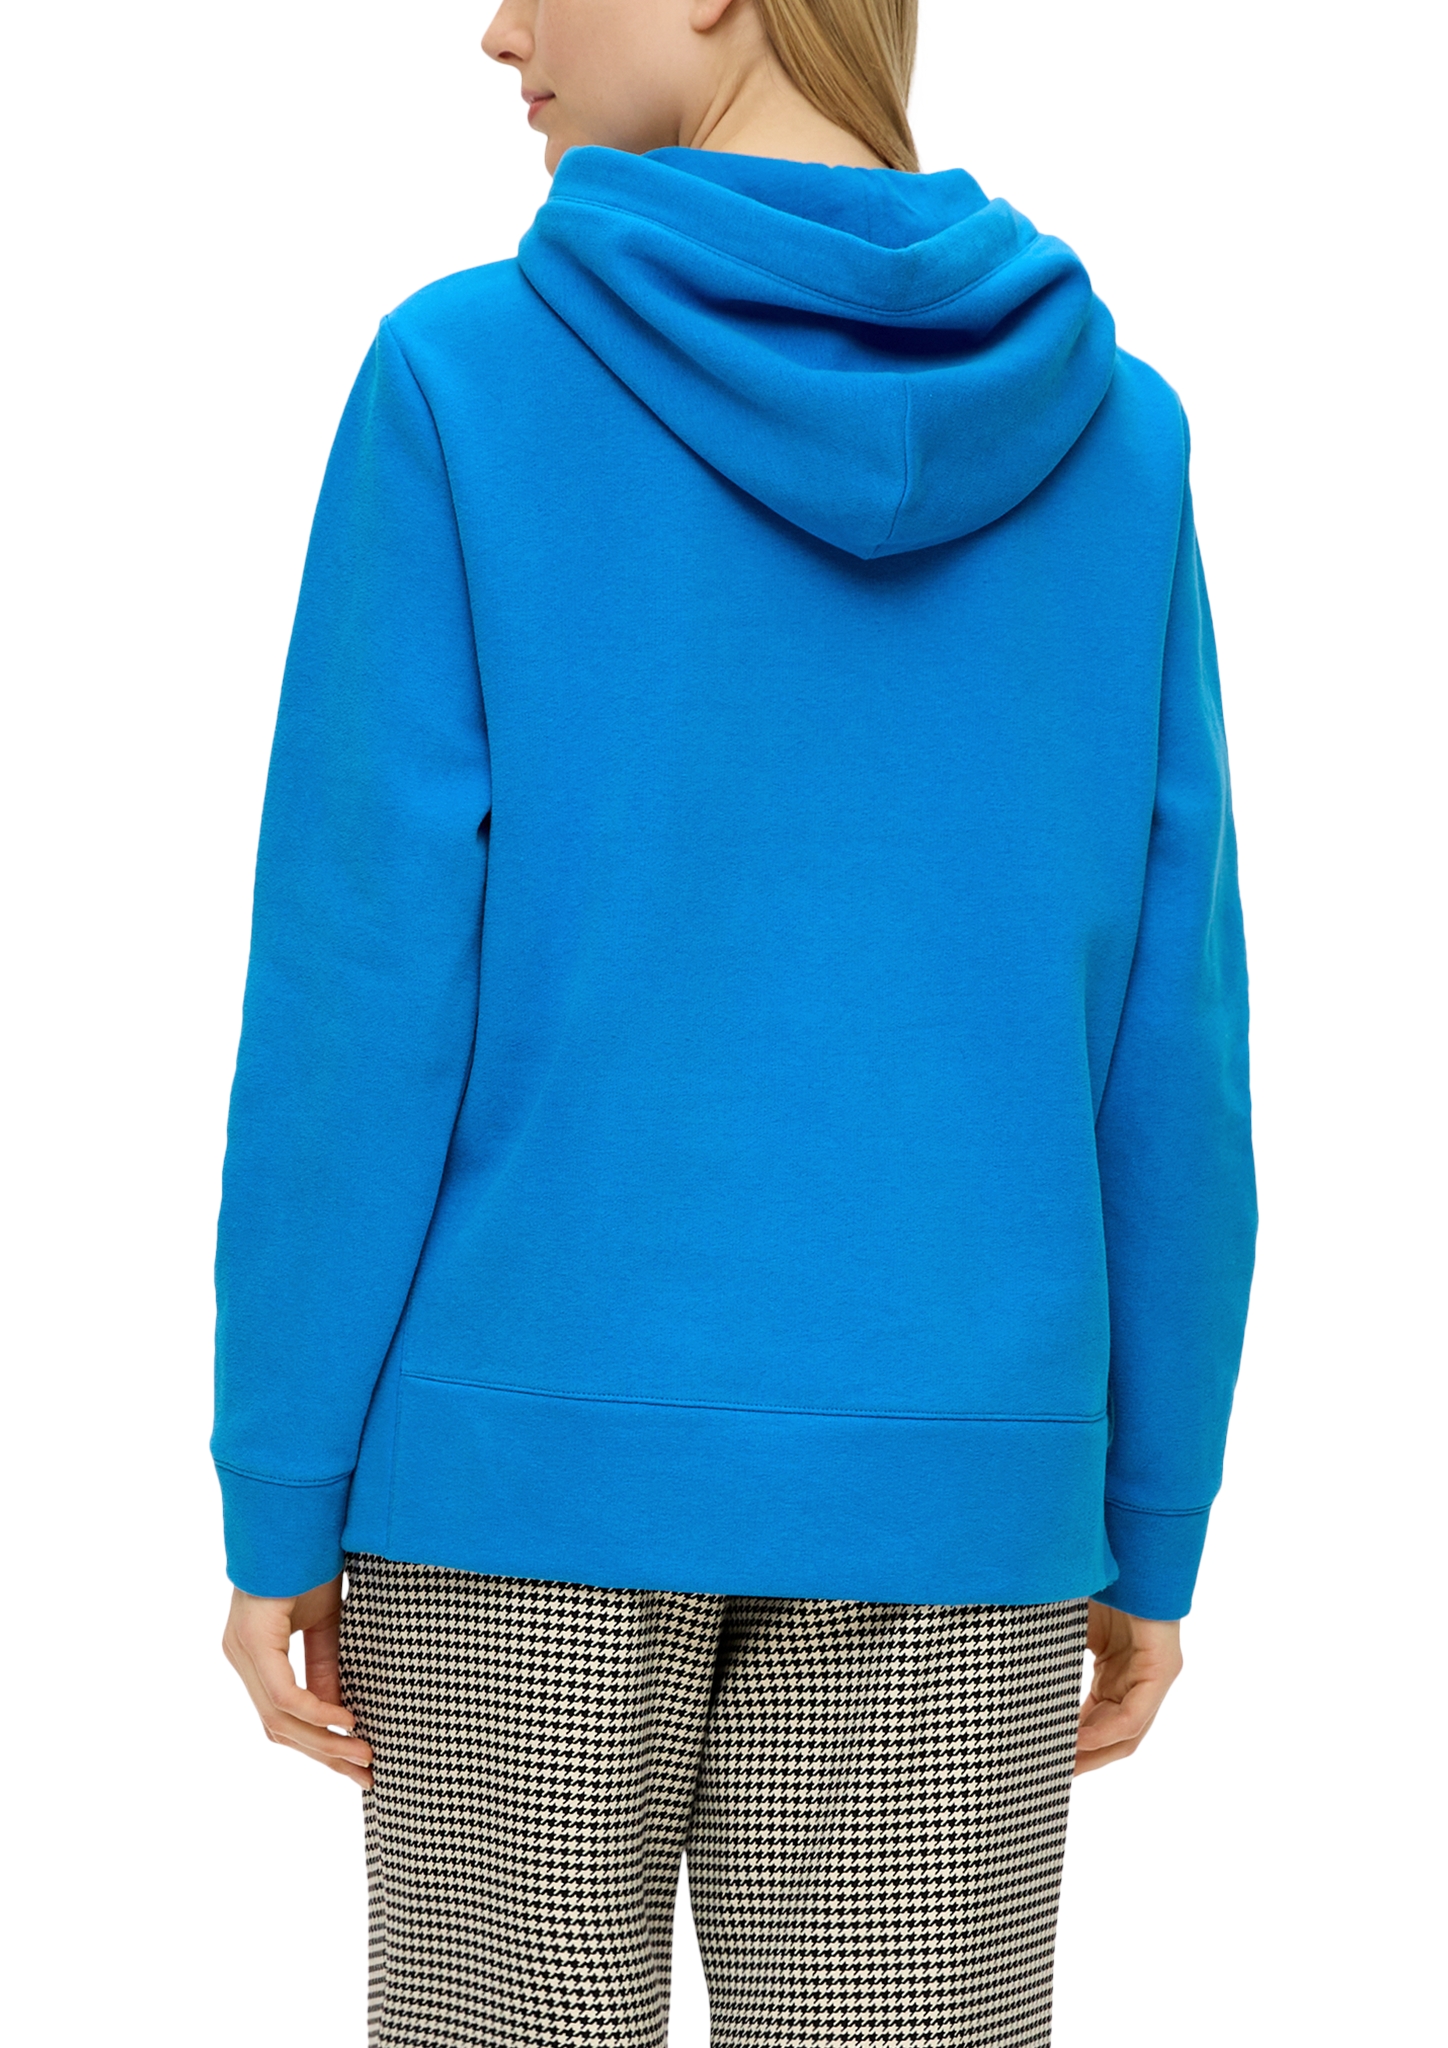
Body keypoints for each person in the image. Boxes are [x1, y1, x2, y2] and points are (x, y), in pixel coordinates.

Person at [215, 2, 1256, 2042]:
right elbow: (1170, 1035)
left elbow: (358, 990)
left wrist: (283, 1484)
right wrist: (1152, 1515)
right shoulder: (1115, 441)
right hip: (958, 1497)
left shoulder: (463, 380)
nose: (496, 29)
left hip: (514, 1487)